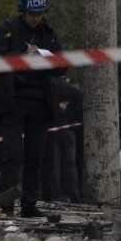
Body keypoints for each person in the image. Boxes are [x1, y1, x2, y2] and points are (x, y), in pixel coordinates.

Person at [0, 0, 64, 217]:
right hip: (13, 102)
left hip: (40, 102)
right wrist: (22, 58)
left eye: (39, 14)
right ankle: (7, 206)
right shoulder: (8, 30)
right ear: (22, 12)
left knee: (35, 157)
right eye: (32, 14)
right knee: (11, 155)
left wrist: (43, 57)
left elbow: (63, 66)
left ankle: (29, 205)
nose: (35, 19)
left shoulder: (48, 33)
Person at [42, 75, 84, 203]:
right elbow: (79, 113)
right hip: (69, 130)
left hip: (53, 129)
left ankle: (55, 194)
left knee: (55, 162)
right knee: (70, 165)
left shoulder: (50, 88)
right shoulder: (74, 91)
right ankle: (74, 194)